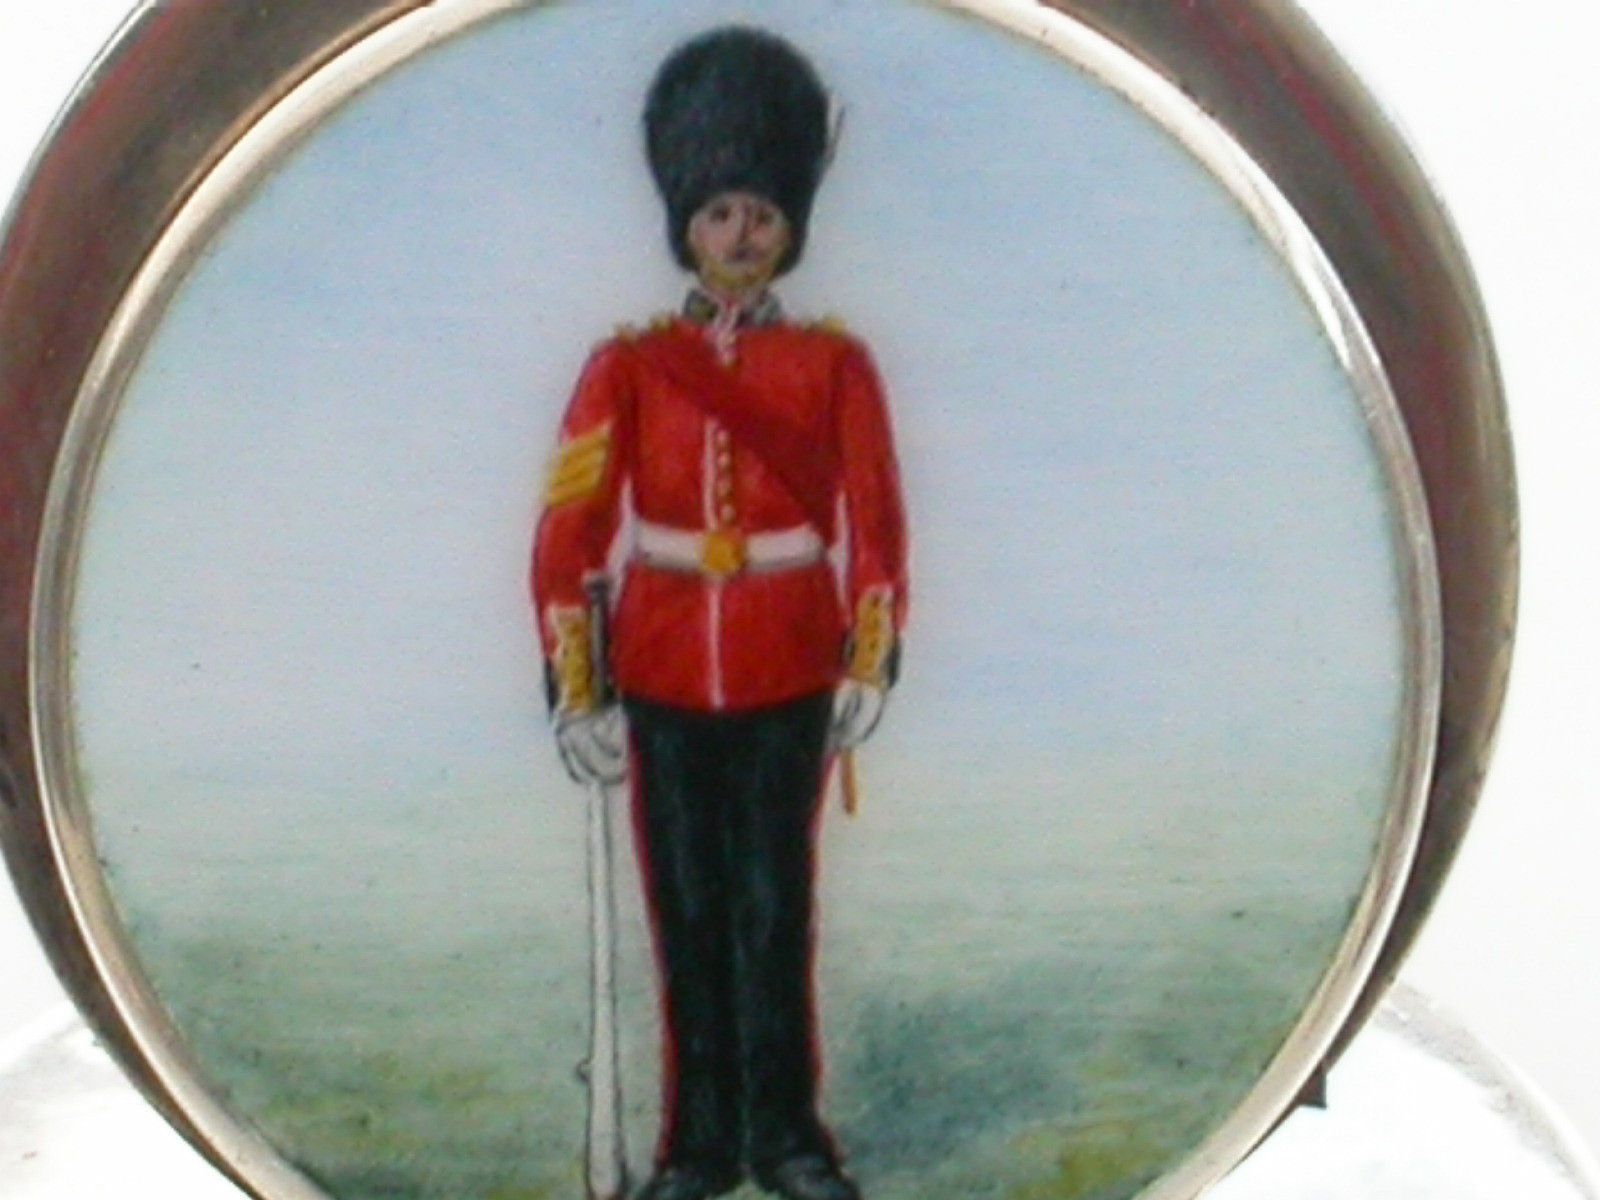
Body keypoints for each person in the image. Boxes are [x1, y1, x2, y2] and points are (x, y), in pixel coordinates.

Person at [532, 26, 908, 1200]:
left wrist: (868, 658)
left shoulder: (836, 368)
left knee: (773, 908)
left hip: (789, 665)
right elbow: (568, 535)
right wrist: (579, 690)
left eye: (760, 213)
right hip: (658, 671)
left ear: (789, 226)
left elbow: (877, 523)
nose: (740, 235)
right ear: (685, 225)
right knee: (686, 913)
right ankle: (696, 1148)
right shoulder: (626, 369)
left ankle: (785, 1140)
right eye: (718, 213)